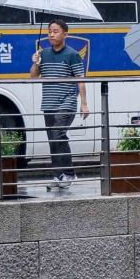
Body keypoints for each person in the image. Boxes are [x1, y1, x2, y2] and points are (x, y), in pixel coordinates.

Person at [30, 19, 86, 186]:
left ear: (65, 34)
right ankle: (58, 175)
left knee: (58, 134)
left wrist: (84, 103)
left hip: (66, 103)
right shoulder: (44, 54)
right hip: (48, 104)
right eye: (49, 31)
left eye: (55, 31)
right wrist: (35, 62)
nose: (51, 34)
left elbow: (81, 80)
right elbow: (33, 76)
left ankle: (69, 174)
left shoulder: (72, 54)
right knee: (53, 139)